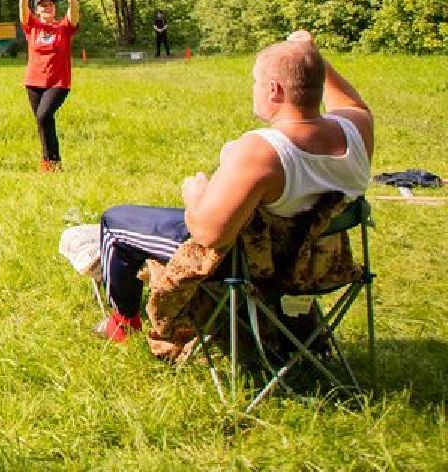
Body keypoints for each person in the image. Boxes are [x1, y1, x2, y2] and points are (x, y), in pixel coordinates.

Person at [96, 31, 374, 342]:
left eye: (255, 81)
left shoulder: (264, 151)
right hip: (317, 265)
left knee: (115, 222)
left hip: (253, 264)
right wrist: (311, 56)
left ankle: (123, 322)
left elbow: (208, 235)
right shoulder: (357, 131)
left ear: (274, 90)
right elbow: (350, 102)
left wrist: (195, 195)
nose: (253, 88)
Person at [20, 0, 80, 172]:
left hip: (58, 82)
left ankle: (52, 161)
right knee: (43, 121)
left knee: (44, 115)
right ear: (37, 10)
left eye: (50, 5)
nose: (47, 8)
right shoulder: (32, 26)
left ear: (55, 8)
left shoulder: (63, 27)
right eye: (43, 5)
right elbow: (22, 9)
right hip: (34, 81)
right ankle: (50, 162)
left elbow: (75, 10)